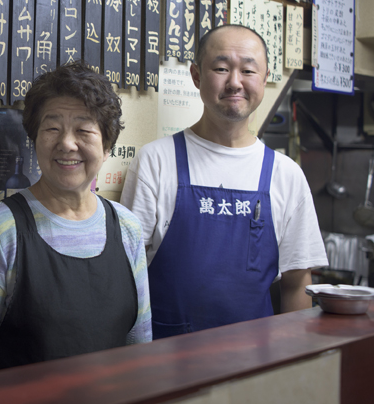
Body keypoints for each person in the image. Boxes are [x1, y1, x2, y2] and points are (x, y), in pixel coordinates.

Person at [121, 24, 328, 339]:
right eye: (220, 68)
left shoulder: (286, 175)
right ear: (196, 76)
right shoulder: (156, 161)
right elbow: (126, 272)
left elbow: (298, 281)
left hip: (254, 362)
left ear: (265, 77)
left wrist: (292, 363)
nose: (235, 82)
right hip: (164, 359)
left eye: (248, 70)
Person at [0, 62, 151, 375]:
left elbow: (139, 349)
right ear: (35, 139)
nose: (67, 143)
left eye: (84, 130)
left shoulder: (127, 227)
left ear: (108, 146)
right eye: (52, 128)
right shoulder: (0, 228)